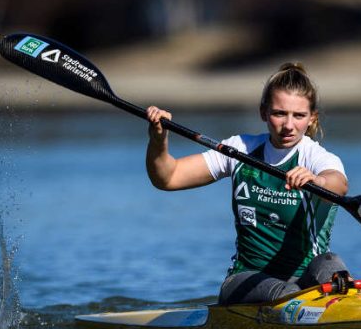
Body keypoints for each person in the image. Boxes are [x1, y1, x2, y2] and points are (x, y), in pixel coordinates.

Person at [145, 62, 350, 304]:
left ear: (312, 117)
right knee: (284, 295)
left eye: (299, 115)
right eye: (279, 113)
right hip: (247, 280)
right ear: (263, 112)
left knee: (331, 266)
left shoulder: (318, 158)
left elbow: (338, 185)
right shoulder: (240, 149)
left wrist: (316, 181)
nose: (289, 125)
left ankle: (344, 305)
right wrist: (159, 140)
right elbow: (168, 177)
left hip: (304, 278)